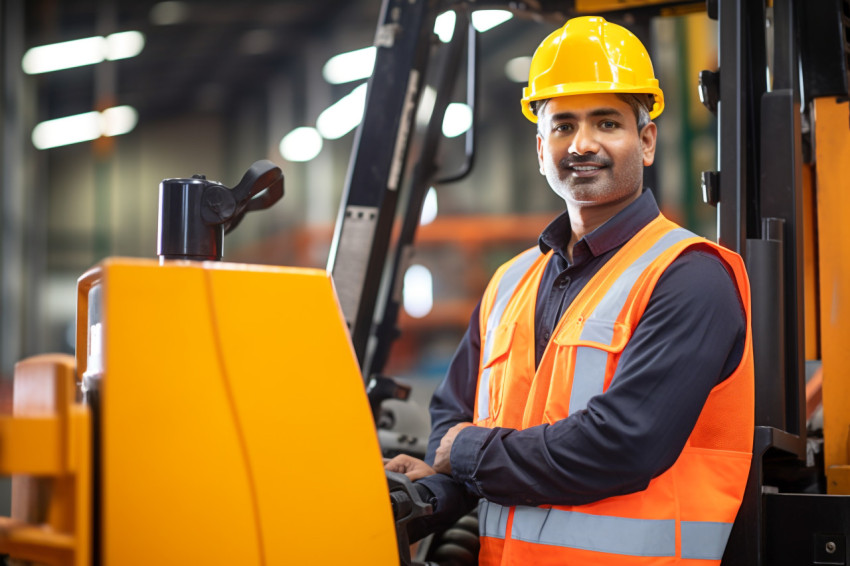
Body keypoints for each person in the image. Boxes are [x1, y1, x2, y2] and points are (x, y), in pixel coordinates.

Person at [386, 15, 754, 566]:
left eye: (607, 123)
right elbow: (453, 418)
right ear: (541, 150)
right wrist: (446, 482)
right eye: (563, 126)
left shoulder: (689, 277)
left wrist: (465, 456)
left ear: (647, 141)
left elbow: (623, 444)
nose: (582, 144)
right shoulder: (510, 283)